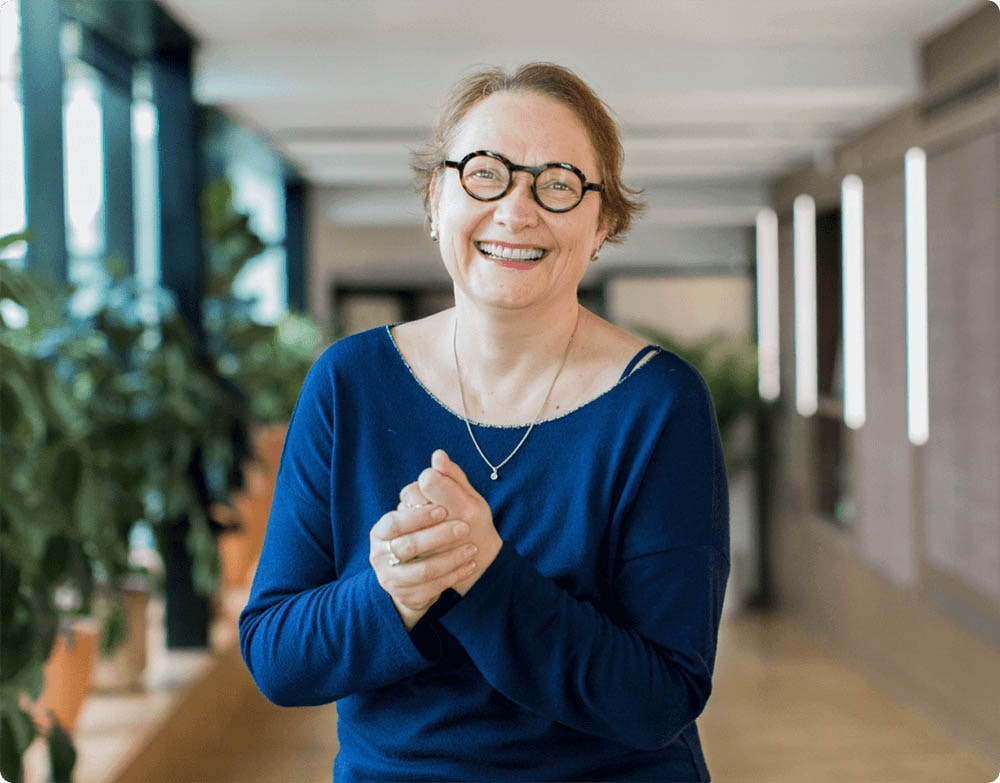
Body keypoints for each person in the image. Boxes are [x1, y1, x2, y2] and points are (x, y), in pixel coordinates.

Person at [239, 62, 730, 782]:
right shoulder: (349, 384)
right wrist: (394, 592)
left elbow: (661, 697)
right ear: (436, 199)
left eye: (558, 182)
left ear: (602, 225)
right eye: (485, 172)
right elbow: (278, 655)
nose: (517, 209)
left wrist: (486, 574)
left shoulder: (660, 405)